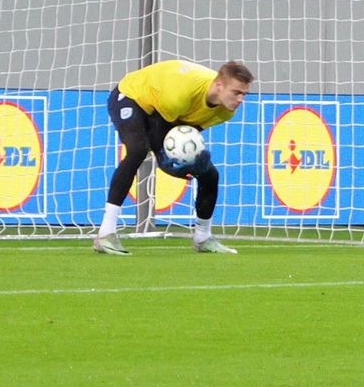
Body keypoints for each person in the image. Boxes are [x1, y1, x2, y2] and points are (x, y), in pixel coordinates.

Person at [94, 60, 253, 256]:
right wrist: (170, 166)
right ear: (219, 85)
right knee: (137, 150)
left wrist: (190, 162)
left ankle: (203, 238)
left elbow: (184, 133)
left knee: (210, 174)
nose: (241, 99)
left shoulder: (225, 112)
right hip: (132, 95)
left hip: (164, 110)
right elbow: (159, 138)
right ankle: (106, 233)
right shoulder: (180, 95)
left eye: (244, 94)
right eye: (236, 92)